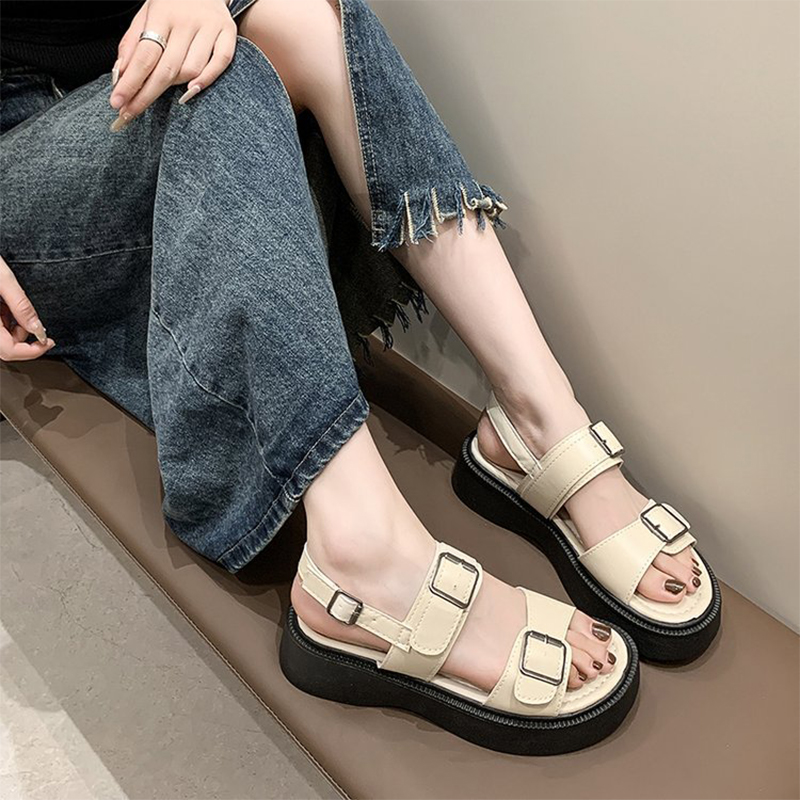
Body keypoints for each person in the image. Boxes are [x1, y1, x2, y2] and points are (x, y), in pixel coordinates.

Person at [0, 0, 720, 754]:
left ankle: (540, 417)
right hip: (24, 168)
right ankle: (362, 552)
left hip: (120, 86)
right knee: (215, 75)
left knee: (300, 15)